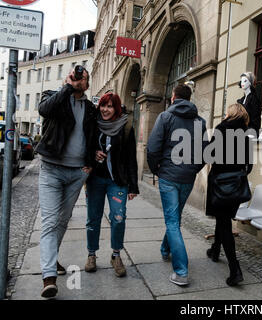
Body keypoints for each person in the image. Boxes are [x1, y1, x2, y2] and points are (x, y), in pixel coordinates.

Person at [36, 67, 96, 298]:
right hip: (51, 168)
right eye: (75, 76)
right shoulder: (54, 96)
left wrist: (91, 162)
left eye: (83, 78)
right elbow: (44, 110)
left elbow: (94, 136)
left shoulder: (90, 108)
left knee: (62, 220)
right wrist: (66, 87)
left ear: (87, 84)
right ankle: (48, 276)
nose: (79, 79)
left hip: (77, 173)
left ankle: (51, 260)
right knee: (50, 221)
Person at [147, 84, 207, 286]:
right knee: (175, 217)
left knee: (172, 221)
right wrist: (192, 169)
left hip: (169, 176)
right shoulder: (200, 121)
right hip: (187, 178)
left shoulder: (165, 117)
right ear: (189, 98)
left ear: (173, 97)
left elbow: (153, 148)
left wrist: (156, 169)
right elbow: (204, 153)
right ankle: (166, 250)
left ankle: (181, 272)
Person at [84, 92, 139, 278]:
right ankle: (91, 254)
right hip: (95, 180)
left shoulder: (125, 127)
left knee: (118, 217)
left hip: (118, 181)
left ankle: (116, 255)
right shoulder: (93, 124)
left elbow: (132, 157)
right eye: (103, 105)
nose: (105, 110)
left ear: (116, 108)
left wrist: (133, 186)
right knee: (93, 218)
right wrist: (93, 154)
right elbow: (84, 146)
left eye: (110, 106)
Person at [205, 103, 252, 286]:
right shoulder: (246, 133)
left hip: (219, 183)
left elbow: (210, 155)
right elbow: (249, 166)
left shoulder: (221, 129)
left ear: (230, 114)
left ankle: (235, 270)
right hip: (236, 185)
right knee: (223, 219)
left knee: (224, 224)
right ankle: (215, 250)